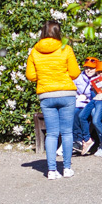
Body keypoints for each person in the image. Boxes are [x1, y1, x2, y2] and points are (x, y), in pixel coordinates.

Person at [25, 20, 81, 180]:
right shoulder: (66, 49)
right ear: (58, 32)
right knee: (67, 132)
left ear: (43, 32)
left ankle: (51, 170)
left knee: (52, 133)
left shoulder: (35, 51)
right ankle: (67, 168)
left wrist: (44, 77)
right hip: (66, 93)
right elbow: (75, 73)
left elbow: (31, 76)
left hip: (46, 95)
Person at [73, 57, 102, 155]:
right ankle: (77, 140)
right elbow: (71, 88)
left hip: (90, 103)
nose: (88, 70)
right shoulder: (78, 77)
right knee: (74, 113)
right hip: (78, 102)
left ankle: (82, 140)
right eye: (86, 67)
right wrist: (77, 96)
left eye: (91, 68)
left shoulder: (98, 79)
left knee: (81, 115)